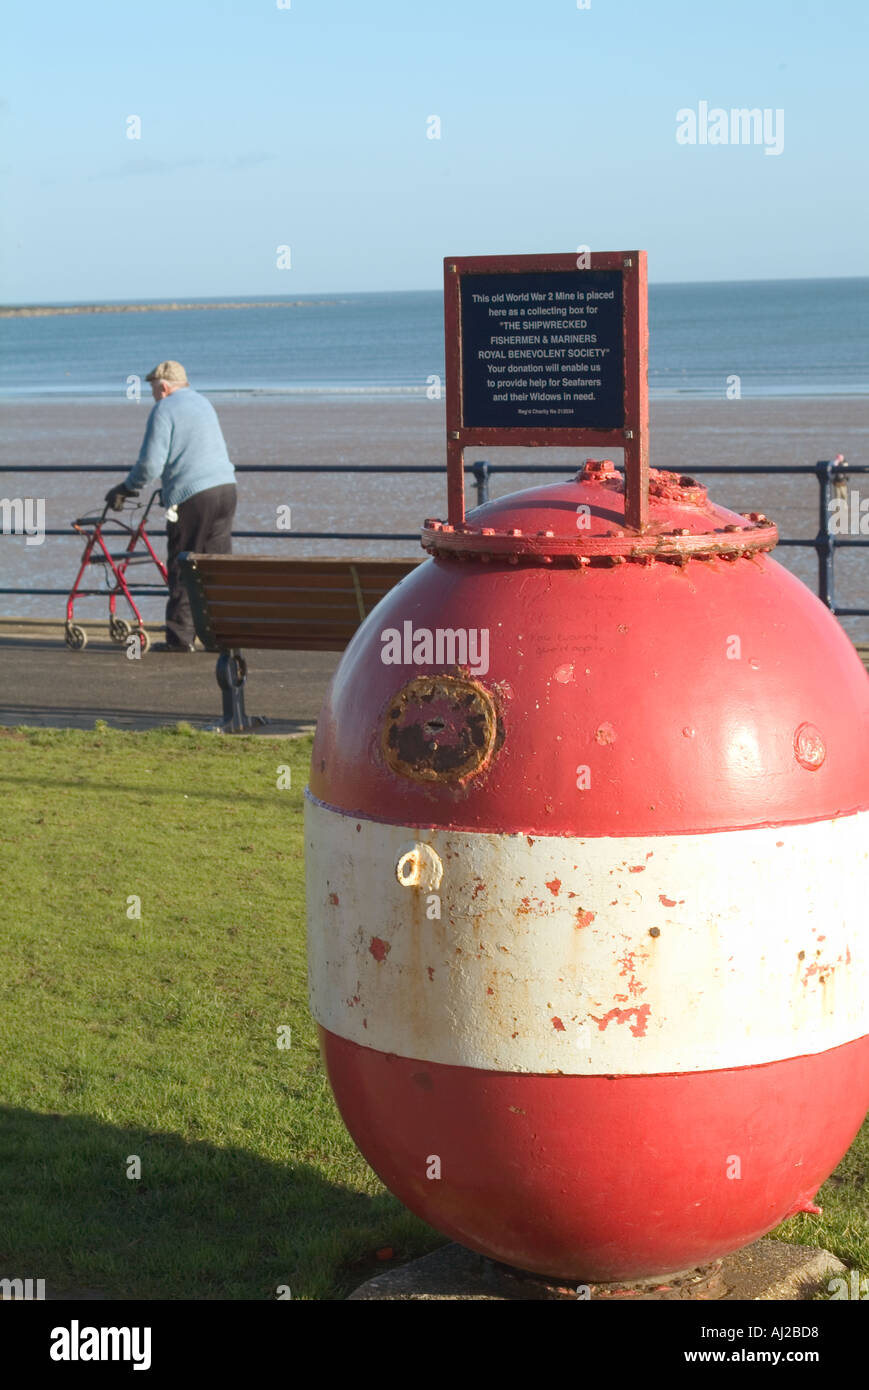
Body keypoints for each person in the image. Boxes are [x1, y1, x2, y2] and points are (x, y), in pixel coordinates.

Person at [106, 360, 237, 652]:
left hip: (193, 496)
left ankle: (180, 639)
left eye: (153, 389)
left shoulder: (164, 409)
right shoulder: (203, 403)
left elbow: (151, 463)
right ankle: (221, 636)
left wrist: (127, 488)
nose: (152, 395)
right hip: (226, 489)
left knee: (184, 563)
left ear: (164, 388)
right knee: (216, 566)